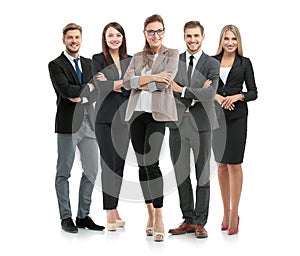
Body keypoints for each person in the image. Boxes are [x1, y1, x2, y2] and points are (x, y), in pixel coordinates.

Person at [123, 14, 179, 242]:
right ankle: (149, 215)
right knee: (141, 165)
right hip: (137, 114)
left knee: (152, 163)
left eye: (159, 31)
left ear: (164, 32)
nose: (155, 35)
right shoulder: (137, 56)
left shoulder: (172, 54)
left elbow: (166, 83)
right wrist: (153, 77)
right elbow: (127, 83)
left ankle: (159, 216)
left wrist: (142, 81)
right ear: (144, 33)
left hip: (158, 116)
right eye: (151, 31)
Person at [48, 23, 104, 233]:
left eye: (77, 37)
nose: (74, 41)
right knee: (64, 172)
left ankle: (83, 216)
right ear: (64, 40)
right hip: (68, 125)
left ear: (81, 39)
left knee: (91, 171)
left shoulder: (89, 63)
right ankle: (66, 217)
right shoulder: (55, 64)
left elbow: (98, 91)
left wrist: (82, 93)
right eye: (70, 37)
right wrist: (87, 88)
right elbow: (65, 90)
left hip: (90, 123)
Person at [167, 21, 220, 238]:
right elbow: (168, 91)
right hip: (178, 124)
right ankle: (188, 220)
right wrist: (196, 91)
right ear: (184, 37)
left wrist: (182, 89)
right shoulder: (174, 61)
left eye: (196, 36)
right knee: (181, 175)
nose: (192, 40)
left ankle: (200, 222)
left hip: (202, 125)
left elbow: (210, 95)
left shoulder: (212, 63)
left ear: (203, 37)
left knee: (203, 175)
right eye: (189, 36)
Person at [212, 24, 258, 235]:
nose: (230, 43)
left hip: (237, 116)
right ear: (221, 40)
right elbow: (206, 87)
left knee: (234, 164)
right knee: (221, 164)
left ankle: (235, 213)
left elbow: (253, 92)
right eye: (226, 39)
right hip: (217, 116)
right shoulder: (211, 61)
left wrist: (237, 97)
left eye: (234, 39)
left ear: (238, 42)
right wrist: (221, 98)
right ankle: (225, 210)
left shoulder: (245, 63)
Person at [91, 22, 131, 231]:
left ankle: (114, 208)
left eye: (118, 35)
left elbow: (133, 87)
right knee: (108, 163)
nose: (114, 38)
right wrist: (120, 83)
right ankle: (109, 213)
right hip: (104, 119)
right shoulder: (98, 59)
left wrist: (113, 83)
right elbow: (100, 87)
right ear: (105, 39)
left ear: (123, 38)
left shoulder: (130, 60)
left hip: (124, 119)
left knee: (120, 164)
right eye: (110, 35)